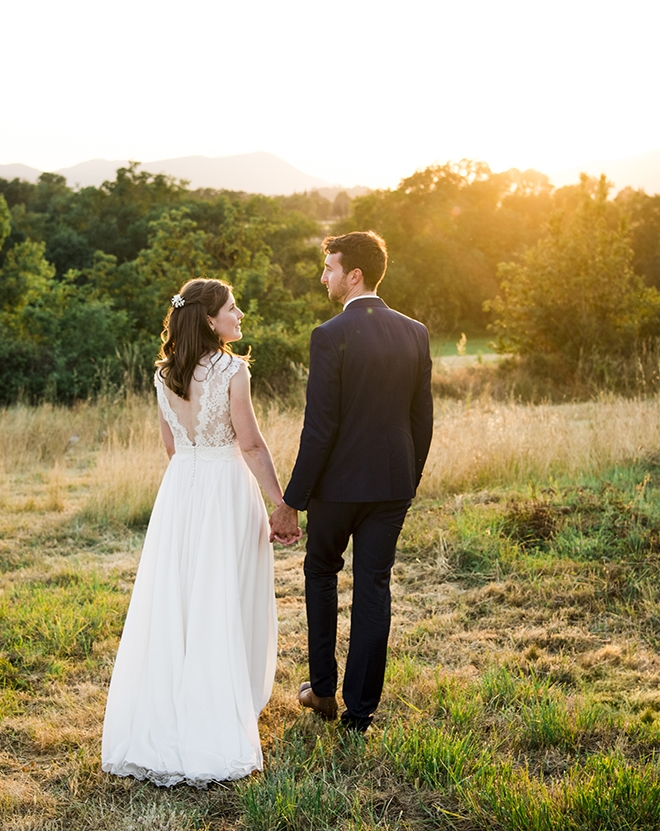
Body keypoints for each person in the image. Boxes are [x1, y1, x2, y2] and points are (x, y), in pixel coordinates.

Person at [101, 278, 297, 787]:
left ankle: (169, 713)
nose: (240, 315)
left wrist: (189, 484)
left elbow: (170, 446)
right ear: (210, 319)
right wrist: (282, 504)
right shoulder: (234, 370)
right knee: (224, 595)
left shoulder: (164, 373)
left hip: (180, 493)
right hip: (224, 489)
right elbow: (250, 445)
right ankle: (216, 714)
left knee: (179, 599)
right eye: (233, 308)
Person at [269, 231, 433, 733]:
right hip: (392, 486)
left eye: (329, 268)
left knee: (320, 574)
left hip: (337, 488)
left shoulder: (329, 335)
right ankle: (359, 713)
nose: (324, 277)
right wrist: (407, 479)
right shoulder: (415, 332)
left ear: (354, 274)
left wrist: (291, 501)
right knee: (373, 588)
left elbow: (320, 428)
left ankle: (322, 690)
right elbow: (421, 420)